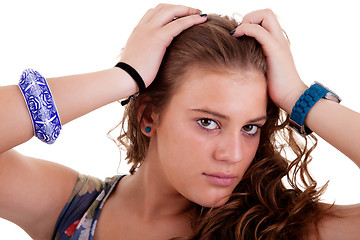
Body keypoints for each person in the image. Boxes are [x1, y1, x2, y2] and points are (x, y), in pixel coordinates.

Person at [0, 3, 359, 240]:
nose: (233, 154)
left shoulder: (275, 228)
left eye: (250, 127)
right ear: (148, 115)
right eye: (208, 122)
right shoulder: (73, 208)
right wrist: (124, 77)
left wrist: (300, 98)